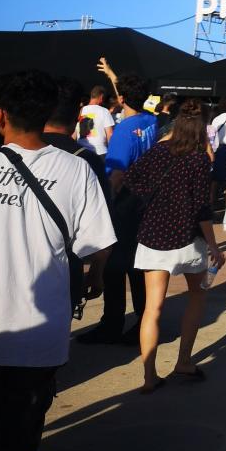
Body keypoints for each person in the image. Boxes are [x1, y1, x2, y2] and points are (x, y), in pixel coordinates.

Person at [0, 70, 115, 451]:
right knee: (17, 446)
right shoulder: (75, 170)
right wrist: (92, 283)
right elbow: (98, 245)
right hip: (38, 338)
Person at [128, 101, 225, 392]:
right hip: (188, 240)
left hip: (153, 238)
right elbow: (202, 209)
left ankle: (148, 375)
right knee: (197, 294)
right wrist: (214, 247)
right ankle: (183, 360)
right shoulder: (198, 160)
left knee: (152, 308)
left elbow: (132, 181)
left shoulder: (156, 152)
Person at [78, 72, 158, 345]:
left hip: (124, 200)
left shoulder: (125, 129)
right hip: (146, 199)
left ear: (121, 98)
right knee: (138, 264)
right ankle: (142, 322)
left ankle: (112, 323)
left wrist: (105, 205)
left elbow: (116, 173)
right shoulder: (152, 121)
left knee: (113, 264)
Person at [78, 85, 114, 159]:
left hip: (81, 151)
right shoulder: (104, 111)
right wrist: (113, 153)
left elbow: (76, 131)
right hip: (100, 152)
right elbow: (110, 134)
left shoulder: (81, 110)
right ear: (101, 97)